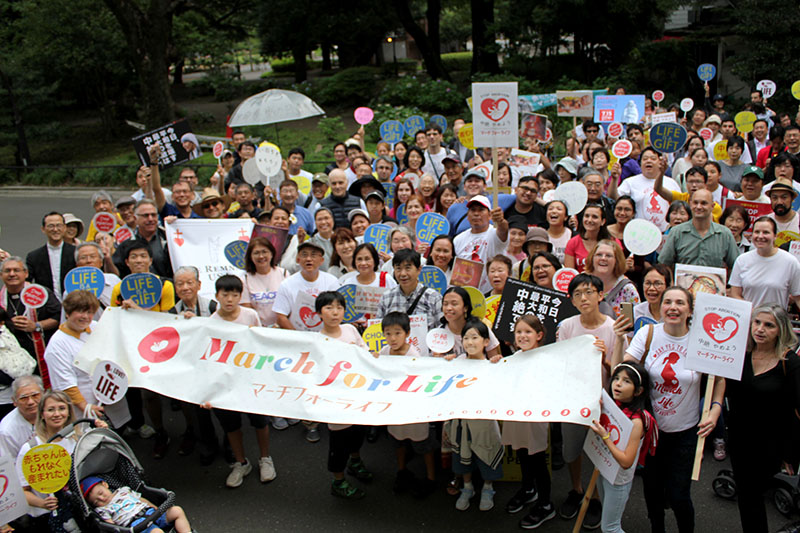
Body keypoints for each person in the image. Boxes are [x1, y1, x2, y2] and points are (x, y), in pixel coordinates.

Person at [612, 286, 725, 533]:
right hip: (651, 431)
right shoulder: (648, 333)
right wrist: (620, 341)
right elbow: (623, 370)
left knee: (679, 495)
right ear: (661, 307)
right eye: (668, 302)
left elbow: (718, 378)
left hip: (686, 431)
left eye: (680, 303)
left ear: (690, 310)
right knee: (652, 492)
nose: (673, 307)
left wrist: (715, 409)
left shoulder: (702, 337)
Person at [556, 274, 626, 528]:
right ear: (572, 300)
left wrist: (606, 358)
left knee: (599, 451)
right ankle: (576, 489)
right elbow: (560, 362)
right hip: (573, 398)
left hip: (602, 401)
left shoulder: (612, 327)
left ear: (600, 295)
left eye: (589, 292)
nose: (583, 298)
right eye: (577, 294)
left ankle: (594, 497)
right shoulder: (567, 327)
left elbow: (619, 371)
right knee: (571, 450)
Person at [726, 305, 800, 532]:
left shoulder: (789, 362)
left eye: (769, 325)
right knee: (748, 500)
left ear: (780, 330)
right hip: (739, 442)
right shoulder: (740, 357)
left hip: (770, 446)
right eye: (757, 323)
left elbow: (797, 411)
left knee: (752, 496)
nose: (760, 329)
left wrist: (791, 453)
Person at [208, 275, 275, 487]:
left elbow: (261, 342)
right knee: (231, 424)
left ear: (240, 296)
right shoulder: (211, 323)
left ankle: (265, 458)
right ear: (217, 295)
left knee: (259, 421)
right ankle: (240, 462)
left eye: (234, 294)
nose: (229, 299)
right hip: (225, 382)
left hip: (251, 379)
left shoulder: (250, 315)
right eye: (225, 294)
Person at [16, 390, 105, 528]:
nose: (57, 414)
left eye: (62, 408)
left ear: (69, 412)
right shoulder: (30, 449)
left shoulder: (79, 440)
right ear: (42, 414)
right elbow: (22, 491)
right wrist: (42, 503)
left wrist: (101, 429)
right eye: (51, 410)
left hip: (84, 511)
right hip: (48, 517)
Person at [315, 291, 374, 500]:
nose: (335, 312)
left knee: (358, 432)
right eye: (329, 308)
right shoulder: (317, 341)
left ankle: (355, 461)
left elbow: (364, 351)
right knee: (339, 441)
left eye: (339, 307)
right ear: (319, 313)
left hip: (358, 394)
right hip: (336, 400)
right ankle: (338, 481)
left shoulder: (350, 329)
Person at [443, 319, 504, 511]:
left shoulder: (492, 365)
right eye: (466, 338)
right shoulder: (456, 362)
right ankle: (467, 487)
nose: (470, 342)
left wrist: (498, 364)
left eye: (475, 337)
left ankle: (488, 488)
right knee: (462, 455)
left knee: (486, 453)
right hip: (460, 421)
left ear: (486, 341)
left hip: (483, 423)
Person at [589, 361, 657, 533]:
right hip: (603, 469)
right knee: (608, 517)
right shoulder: (611, 406)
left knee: (610, 528)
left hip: (618, 479)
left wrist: (605, 436)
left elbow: (626, 461)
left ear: (639, 391)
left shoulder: (636, 421)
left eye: (626, 381)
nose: (618, 384)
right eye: (616, 378)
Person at [501, 315, 555, 528]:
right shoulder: (512, 359)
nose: (522, 336)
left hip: (535, 419)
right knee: (521, 452)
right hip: (515, 416)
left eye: (527, 332)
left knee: (538, 459)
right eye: (519, 332)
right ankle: (528, 489)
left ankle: (545, 504)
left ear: (539, 335)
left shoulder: (547, 359)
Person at [376, 311, 437, 497]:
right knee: (398, 441)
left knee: (423, 445)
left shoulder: (414, 356)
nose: (392, 338)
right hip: (394, 409)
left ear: (407, 333)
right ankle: (402, 471)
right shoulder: (384, 352)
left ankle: (431, 478)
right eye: (388, 333)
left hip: (414, 410)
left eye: (397, 333)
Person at [44, 290, 106, 419]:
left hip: (108, 402)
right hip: (82, 410)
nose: (85, 317)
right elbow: (65, 384)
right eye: (80, 312)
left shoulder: (96, 327)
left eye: (89, 312)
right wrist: (86, 407)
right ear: (67, 313)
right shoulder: (57, 345)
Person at [658, 189, 740, 270]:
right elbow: (664, 264)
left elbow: (736, 266)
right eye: (695, 203)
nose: (699, 207)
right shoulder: (677, 232)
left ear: (712, 206)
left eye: (704, 203)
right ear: (690, 204)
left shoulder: (724, 234)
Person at [0, 256, 61, 365]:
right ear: (1, 275)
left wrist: (37, 326)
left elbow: (58, 317)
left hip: (40, 350)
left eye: (16, 270)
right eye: (7, 271)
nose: (12, 274)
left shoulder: (41, 293)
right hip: (11, 359)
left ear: (26, 274)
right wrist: (8, 324)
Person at [730, 216, 800, 309]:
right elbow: (735, 294)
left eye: (766, 232)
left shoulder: (790, 262)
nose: (760, 236)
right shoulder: (742, 260)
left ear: (775, 236)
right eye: (757, 232)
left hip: (776, 321)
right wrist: (753, 312)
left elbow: (798, 297)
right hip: (749, 320)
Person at [81, 476, 192, 533]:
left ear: (105, 484)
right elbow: (111, 525)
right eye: (96, 502)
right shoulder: (103, 509)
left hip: (151, 512)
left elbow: (141, 499)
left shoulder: (123, 490)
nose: (102, 498)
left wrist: (153, 506)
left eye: (100, 493)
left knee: (176, 510)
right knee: (157, 532)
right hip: (136, 525)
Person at [610, 148, 681, 232]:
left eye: (653, 158)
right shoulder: (630, 182)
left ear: (660, 163)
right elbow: (614, 198)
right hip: (639, 234)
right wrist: (614, 179)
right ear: (640, 163)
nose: (648, 161)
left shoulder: (671, 183)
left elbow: (679, 206)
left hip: (665, 233)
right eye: (645, 159)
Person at [452, 195, 509, 292]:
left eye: (481, 210)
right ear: (467, 215)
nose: (476, 214)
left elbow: (503, 231)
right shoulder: (458, 239)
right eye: (473, 210)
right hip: (467, 294)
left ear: (490, 215)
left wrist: (501, 221)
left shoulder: (494, 233)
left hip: (491, 293)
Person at [377, 249, 443, 331]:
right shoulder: (386, 298)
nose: (403, 274)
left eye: (408, 268)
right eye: (398, 268)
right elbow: (379, 330)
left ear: (419, 269)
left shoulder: (434, 298)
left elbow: (441, 329)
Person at [435, 286, 501, 360]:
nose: (449, 308)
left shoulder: (480, 327)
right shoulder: (439, 333)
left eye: (454, 304)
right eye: (445, 304)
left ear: (465, 307)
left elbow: (495, 360)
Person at [110, 239, 176, 312]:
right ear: (127, 262)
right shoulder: (119, 289)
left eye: (143, 256)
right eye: (134, 257)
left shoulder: (164, 286)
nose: (139, 260)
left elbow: (167, 320)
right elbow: (114, 318)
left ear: (150, 261)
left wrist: (137, 309)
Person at [26, 212, 77, 298]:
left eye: (59, 225)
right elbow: (26, 283)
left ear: (64, 228)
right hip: (46, 307)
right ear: (43, 229)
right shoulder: (34, 257)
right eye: (51, 226)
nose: (55, 229)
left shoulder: (76, 253)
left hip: (73, 304)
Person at [584, 240, 640, 318]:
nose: (603, 258)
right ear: (592, 258)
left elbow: (635, 321)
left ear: (617, 261)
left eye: (608, 256)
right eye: (599, 255)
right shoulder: (581, 283)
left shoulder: (627, 289)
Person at [654, 166, 723, 222]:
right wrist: (661, 172)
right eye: (690, 181)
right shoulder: (681, 198)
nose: (694, 185)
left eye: (698, 182)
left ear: (705, 184)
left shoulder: (714, 207)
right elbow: (658, 189)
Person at [0, 376, 42, 459]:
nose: (30, 402)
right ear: (14, 401)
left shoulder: (56, 415)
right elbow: (10, 465)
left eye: (35, 395)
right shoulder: (6, 431)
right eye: (23, 398)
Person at [564, 203, 613, 273]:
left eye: (595, 217)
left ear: (603, 221)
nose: (589, 220)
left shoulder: (613, 242)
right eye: (587, 216)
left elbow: (618, 270)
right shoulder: (573, 242)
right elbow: (569, 273)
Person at [73, 242, 121, 312]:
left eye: (93, 256)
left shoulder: (113, 280)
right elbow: (66, 321)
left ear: (101, 262)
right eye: (83, 257)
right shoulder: (71, 288)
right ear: (77, 264)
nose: (88, 261)